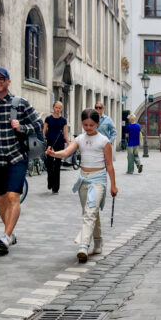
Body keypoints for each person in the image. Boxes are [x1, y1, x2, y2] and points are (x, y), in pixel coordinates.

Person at [0, 67, 44, 254]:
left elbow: (38, 123)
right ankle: (9, 234)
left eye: (1, 79)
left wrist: (22, 127)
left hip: (16, 156)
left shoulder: (20, 104)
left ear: (8, 82)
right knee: (1, 198)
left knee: (13, 196)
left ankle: (5, 236)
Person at [46, 108, 118, 262]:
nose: (88, 127)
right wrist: (53, 154)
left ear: (97, 124)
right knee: (91, 212)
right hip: (83, 180)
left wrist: (113, 186)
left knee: (90, 212)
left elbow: (109, 165)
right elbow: (66, 152)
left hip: (98, 180)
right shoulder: (79, 139)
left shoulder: (104, 141)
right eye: (85, 124)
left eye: (91, 125)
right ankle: (98, 242)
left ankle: (83, 246)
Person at [43, 101, 70, 194]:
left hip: (59, 144)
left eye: (60, 108)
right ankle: (50, 181)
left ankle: (56, 188)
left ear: (61, 109)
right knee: (49, 164)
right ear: (53, 107)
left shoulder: (63, 120)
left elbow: (65, 134)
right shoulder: (48, 119)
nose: (58, 109)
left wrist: (69, 144)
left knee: (57, 165)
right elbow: (43, 131)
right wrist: (42, 142)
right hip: (50, 143)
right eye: (56, 107)